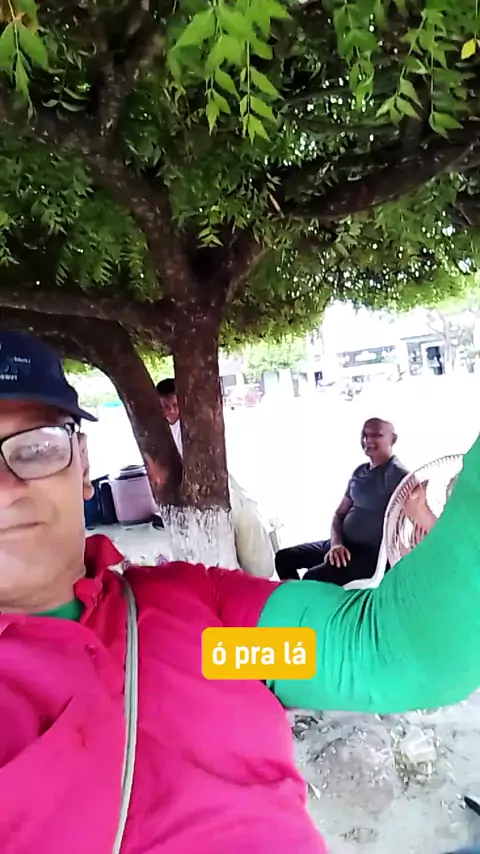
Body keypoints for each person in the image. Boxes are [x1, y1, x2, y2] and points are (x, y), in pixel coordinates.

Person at [3, 329, 480, 854]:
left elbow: (391, 652)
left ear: (83, 464)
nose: (4, 488)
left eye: (36, 447)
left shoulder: (213, 638)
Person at [156, 377, 275, 579]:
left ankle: (260, 579)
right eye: (165, 407)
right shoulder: (164, 433)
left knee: (251, 545)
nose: (171, 411)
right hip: (199, 500)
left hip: (226, 490)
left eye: (175, 405)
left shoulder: (197, 426)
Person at [275, 418, 408, 585]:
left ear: (393, 439)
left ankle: (305, 600)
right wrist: (336, 544)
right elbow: (339, 514)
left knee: (311, 578)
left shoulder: (399, 476)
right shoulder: (360, 472)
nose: (367, 440)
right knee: (284, 558)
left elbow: (417, 521)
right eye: (365, 434)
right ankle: (297, 599)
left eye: (376, 435)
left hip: (368, 556)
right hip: (342, 545)